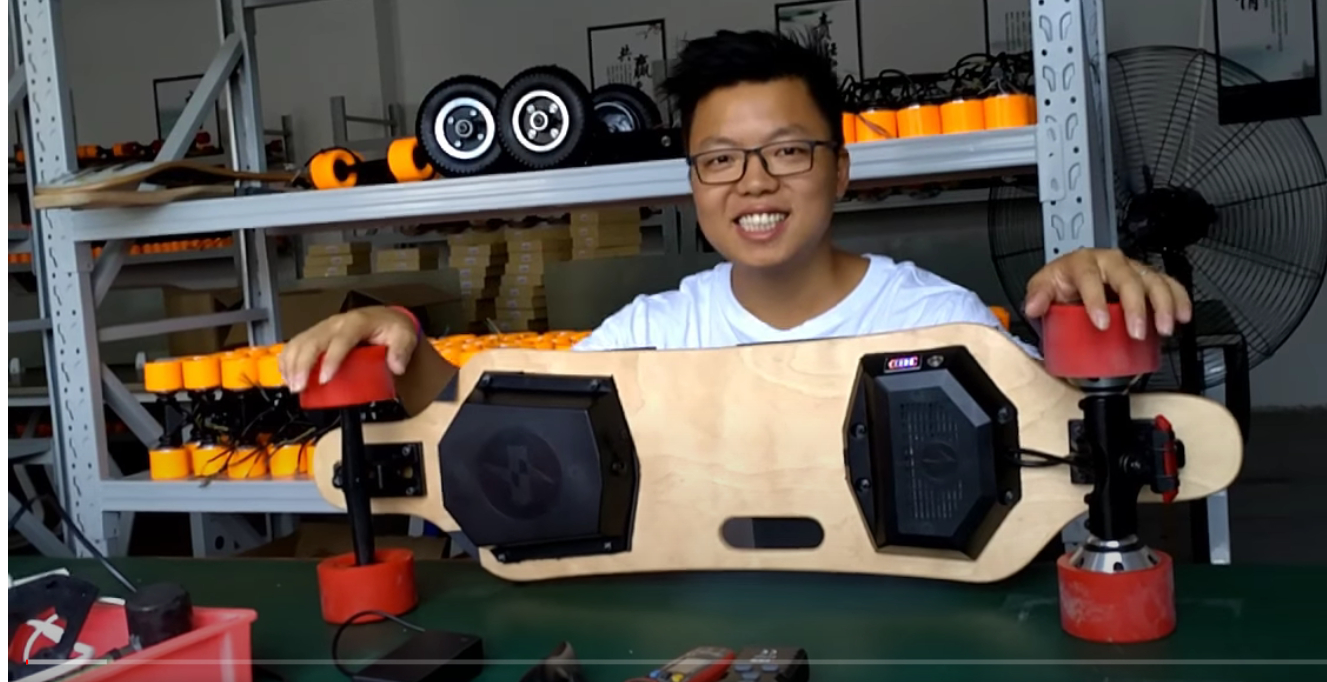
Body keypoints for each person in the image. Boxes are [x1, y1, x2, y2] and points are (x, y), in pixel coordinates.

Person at [279, 29, 1190, 412]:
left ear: (841, 169)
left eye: (788, 151)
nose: (754, 183)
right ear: (694, 183)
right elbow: (488, 413)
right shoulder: (655, 334)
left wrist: (1090, 300)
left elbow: (1073, 428)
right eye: (720, 160)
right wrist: (400, 341)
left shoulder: (933, 322)